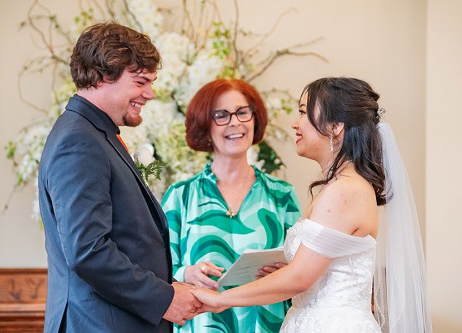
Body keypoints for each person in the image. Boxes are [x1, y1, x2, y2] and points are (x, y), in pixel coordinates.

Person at [191, 77, 432, 333]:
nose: (295, 124)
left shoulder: (344, 190)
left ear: (335, 126)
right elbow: (315, 270)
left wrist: (220, 300)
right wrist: (288, 268)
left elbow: (300, 279)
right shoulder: (338, 187)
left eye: (304, 112)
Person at [38, 23, 201, 333]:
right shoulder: (80, 140)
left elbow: (127, 240)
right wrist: (163, 298)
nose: (150, 94)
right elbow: (88, 251)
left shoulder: (95, 133)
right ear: (102, 76)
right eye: (140, 82)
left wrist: (172, 285)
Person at [161, 78, 302, 333]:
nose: (235, 122)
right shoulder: (180, 196)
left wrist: (285, 270)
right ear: (205, 126)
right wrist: (186, 273)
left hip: (267, 325)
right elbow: (159, 271)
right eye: (221, 115)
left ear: (254, 118)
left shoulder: (282, 195)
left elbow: (302, 270)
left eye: (242, 112)